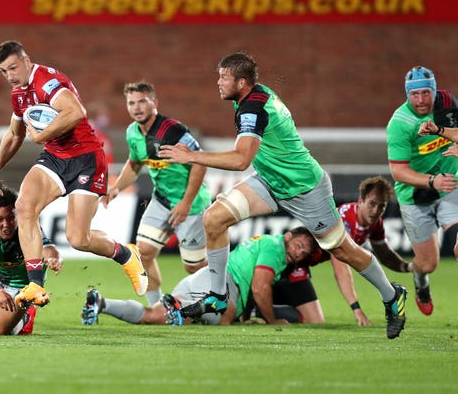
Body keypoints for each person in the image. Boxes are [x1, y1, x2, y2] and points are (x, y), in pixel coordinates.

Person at [158, 52, 407, 339]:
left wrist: (193, 157)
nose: (218, 82)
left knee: (343, 250)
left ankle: (392, 296)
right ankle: (217, 295)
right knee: (214, 218)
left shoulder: (253, 108)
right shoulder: (256, 96)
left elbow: (241, 160)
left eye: (223, 77)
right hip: (271, 182)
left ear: (241, 82)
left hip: (306, 189)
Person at [0, 40, 147, 309]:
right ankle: (35, 283)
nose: (10, 76)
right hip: (55, 157)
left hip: (86, 159)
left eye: (13, 67)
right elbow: (15, 133)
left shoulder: (46, 80)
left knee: (78, 239)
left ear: (26, 61)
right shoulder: (19, 95)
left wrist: (43, 135)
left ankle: (126, 254)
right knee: (24, 206)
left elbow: (76, 112)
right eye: (4, 71)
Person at [101, 81, 211, 306]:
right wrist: (116, 188)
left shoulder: (173, 130)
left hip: (192, 205)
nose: (136, 107)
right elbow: (134, 164)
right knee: (144, 253)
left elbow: (200, 163)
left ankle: (216, 302)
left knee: (194, 266)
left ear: (155, 103)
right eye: (131, 103)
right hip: (161, 201)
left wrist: (186, 203)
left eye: (142, 101)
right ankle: (157, 307)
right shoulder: (132, 132)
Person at [80, 226, 317, 326]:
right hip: (223, 288)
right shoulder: (276, 248)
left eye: (304, 252)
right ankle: (192, 308)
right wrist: (272, 320)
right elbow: (259, 287)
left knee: (154, 316)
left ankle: (102, 303)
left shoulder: (265, 243)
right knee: (164, 316)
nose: (299, 253)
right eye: (298, 245)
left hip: (205, 278)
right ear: (287, 236)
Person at [270, 176, 412, 325]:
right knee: (313, 320)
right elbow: (341, 268)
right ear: (360, 201)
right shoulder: (346, 221)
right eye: (372, 204)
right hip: (291, 262)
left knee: (311, 318)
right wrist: (356, 308)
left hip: (302, 264)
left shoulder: (374, 222)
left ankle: (263, 305)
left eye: (381, 206)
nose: (375, 211)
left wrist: (407, 267)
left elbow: (384, 253)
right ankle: (259, 308)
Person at [388, 65, 458, 316]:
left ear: (434, 90)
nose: (421, 100)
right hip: (416, 195)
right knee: (428, 264)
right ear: (407, 95)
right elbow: (398, 172)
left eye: (426, 93)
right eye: (414, 94)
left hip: (451, 185)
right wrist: (431, 181)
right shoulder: (400, 123)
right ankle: (420, 283)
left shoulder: (448, 102)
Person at [0, 182, 62, 336]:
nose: (6, 225)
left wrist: (54, 259)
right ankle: (0, 310)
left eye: (10, 218)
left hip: (21, 287)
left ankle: (24, 316)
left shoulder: (27, 227)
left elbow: (48, 249)